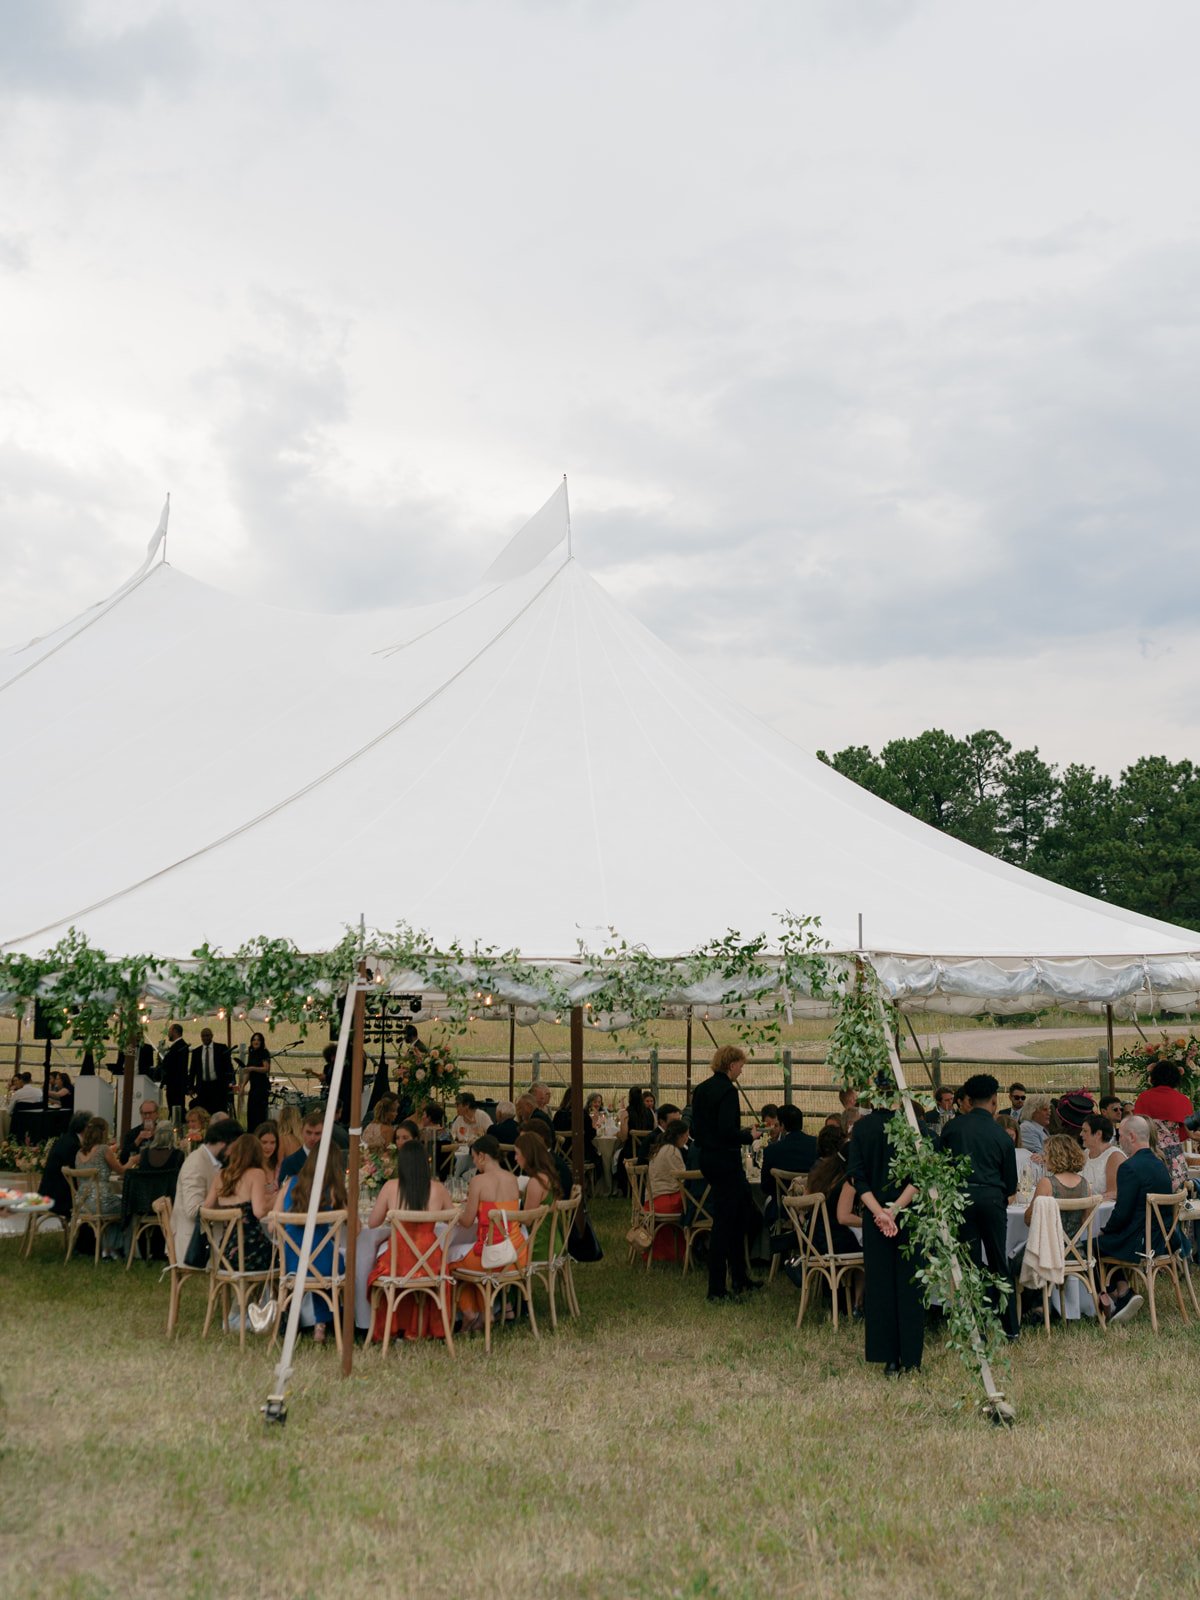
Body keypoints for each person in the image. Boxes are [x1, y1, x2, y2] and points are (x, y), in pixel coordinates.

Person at [845, 1087, 922, 1374]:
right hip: (908, 1215)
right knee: (909, 1286)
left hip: (875, 1216)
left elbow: (856, 1176)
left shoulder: (862, 1129)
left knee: (880, 1287)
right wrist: (894, 1210)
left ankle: (888, 1358)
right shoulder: (912, 1126)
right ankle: (911, 1356)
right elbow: (921, 1176)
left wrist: (878, 1212)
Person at [940, 1073, 1019, 1340]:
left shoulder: (952, 1129)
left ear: (969, 1100)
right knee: (999, 1261)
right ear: (994, 1101)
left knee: (969, 1264)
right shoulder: (1001, 1134)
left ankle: (975, 1327)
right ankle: (1010, 1327)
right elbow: (1011, 1185)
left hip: (962, 1198)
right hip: (993, 1198)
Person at [362, 1139, 455, 1341]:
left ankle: (394, 1327)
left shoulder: (390, 1187)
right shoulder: (438, 1189)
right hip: (431, 1262)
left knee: (375, 1265)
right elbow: (454, 1218)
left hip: (399, 1262)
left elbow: (372, 1222)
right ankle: (425, 1327)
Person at [690, 1045, 760, 1303]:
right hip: (725, 1160)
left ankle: (740, 1277)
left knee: (740, 1214)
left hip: (708, 1158)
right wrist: (748, 1135)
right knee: (725, 1223)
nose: (742, 1070)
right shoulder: (728, 1091)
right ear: (731, 1065)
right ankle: (717, 1287)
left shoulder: (702, 1089)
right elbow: (727, 1131)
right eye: (741, 1065)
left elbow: (697, 1128)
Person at [1095, 1115, 1174, 1322]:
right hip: (1162, 1240)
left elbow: (1121, 1214)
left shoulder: (1129, 1167)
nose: (1117, 1140)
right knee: (1105, 1242)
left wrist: (1105, 1230)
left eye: (1119, 1136)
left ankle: (1119, 1295)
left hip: (1139, 1243)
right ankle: (1119, 1293)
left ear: (1131, 1137)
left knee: (1091, 1246)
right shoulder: (1159, 1164)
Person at [273, 1142, 349, 1344]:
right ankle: (324, 1326)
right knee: (334, 1260)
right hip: (323, 1265)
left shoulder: (289, 1184)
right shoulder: (333, 1190)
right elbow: (355, 1228)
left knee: (320, 1258)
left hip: (291, 1264)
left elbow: (274, 1225)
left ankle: (309, 1324)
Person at [451, 1136, 526, 1333]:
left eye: (474, 1158)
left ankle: (469, 1313)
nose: (474, 1163)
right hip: (517, 1254)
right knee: (470, 1258)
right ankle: (486, 1314)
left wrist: (455, 1212)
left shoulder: (478, 1181)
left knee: (451, 1260)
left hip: (491, 1256)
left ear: (482, 1156)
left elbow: (467, 1222)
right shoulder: (512, 1179)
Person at [1010, 1134, 1092, 1294]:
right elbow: (1085, 1221)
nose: (1043, 1158)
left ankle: (1034, 1306)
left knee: (1011, 1261)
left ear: (1057, 1156)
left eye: (1046, 1153)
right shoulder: (1085, 1185)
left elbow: (1029, 1219)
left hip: (1047, 1254)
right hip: (1076, 1252)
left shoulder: (1047, 1183)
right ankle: (1043, 1304)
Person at [172, 1116, 242, 1263]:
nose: (234, 1155)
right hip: (194, 1244)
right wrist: (228, 1207)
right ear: (224, 1143)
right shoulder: (196, 1164)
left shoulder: (212, 1161)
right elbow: (193, 1211)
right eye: (234, 1149)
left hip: (212, 1237)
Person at [202, 1132, 274, 1274]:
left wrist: (227, 1207)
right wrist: (277, 1199)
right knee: (281, 1255)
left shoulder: (221, 1175)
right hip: (252, 1252)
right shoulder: (256, 1173)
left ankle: (247, 1296)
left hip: (225, 1253)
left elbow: (206, 1208)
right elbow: (259, 1211)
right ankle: (269, 1296)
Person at [75, 1117, 136, 1258]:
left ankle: (109, 1248)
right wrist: (132, 1161)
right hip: (100, 1202)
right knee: (128, 1207)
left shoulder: (79, 1153)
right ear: (103, 1133)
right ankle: (122, 1249)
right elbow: (121, 1170)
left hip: (82, 1203)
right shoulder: (103, 1149)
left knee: (117, 1205)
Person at [761, 1104, 818, 1227]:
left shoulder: (772, 1150)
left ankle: (768, 1244)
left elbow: (765, 1186)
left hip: (782, 1209)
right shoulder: (816, 1145)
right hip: (812, 1207)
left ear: (782, 1126)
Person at [643, 1120, 690, 1263]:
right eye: (686, 1135)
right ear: (679, 1136)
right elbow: (681, 1178)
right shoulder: (672, 1151)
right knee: (694, 1206)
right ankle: (692, 1248)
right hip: (664, 1200)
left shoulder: (661, 1148)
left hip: (652, 1199)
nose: (687, 1139)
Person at [514, 1128, 560, 1266]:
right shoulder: (548, 1174)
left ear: (527, 1155)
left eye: (517, 1153)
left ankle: (508, 1286)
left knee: (497, 1251)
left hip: (538, 1245)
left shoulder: (536, 1182)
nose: (515, 1158)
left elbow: (527, 1220)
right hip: (554, 1241)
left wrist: (505, 1213)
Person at [38, 1111, 90, 1216]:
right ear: (85, 1128)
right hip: (59, 1198)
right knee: (94, 1202)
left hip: (48, 1192)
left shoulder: (65, 1139)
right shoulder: (74, 1145)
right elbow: (76, 1174)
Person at [1133, 1060, 1194, 1143]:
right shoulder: (1183, 1100)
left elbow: (1137, 1126)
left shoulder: (1143, 1097)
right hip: (1173, 1149)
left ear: (1153, 1077)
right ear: (1176, 1078)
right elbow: (1189, 1131)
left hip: (1149, 1147)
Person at [189, 1027, 234, 1116]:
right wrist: (191, 1087)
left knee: (219, 1110)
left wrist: (229, 1082)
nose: (205, 1038)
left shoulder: (221, 1048)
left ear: (212, 1036)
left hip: (218, 1086)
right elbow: (193, 1071)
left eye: (207, 1035)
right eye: (203, 1036)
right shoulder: (197, 1052)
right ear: (201, 1037)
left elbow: (228, 1067)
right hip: (203, 1086)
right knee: (204, 1112)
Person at [1081, 1112, 1125, 1199]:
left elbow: (1114, 1193)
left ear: (1098, 1134)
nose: (1081, 1134)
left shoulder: (1114, 1156)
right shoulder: (1086, 1153)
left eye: (1085, 1131)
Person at [279, 1107, 324, 1183]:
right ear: (301, 1131)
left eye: (317, 1133)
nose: (312, 1138)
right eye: (309, 1133)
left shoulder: (333, 1158)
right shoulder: (289, 1163)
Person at [241, 1032, 272, 1129]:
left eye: (258, 1039)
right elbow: (248, 1072)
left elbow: (266, 1068)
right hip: (253, 1087)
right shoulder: (251, 1052)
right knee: (251, 1113)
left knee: (260, 1114)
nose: (256, 1041)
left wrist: (252, 1068)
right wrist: (242, 1085)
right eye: (254, 1039)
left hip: (262, 1087)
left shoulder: (264, 1052)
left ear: (261, 1041)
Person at [158, 1024, 190, 1115]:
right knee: (173, 1108)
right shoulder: (176, 1046)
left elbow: (174, 1065)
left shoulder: (180, 1047)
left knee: (176, 1109)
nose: (168, 1034)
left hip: (176, 1084)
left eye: (169, 1031)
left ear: (175, 1032)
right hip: (174, 1084)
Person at [120, 1099, 161, 1164]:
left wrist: (155, 1137)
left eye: (150, 1113)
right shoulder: (132, 1133)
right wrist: (138, 1140)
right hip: (138, 1170)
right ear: (141, 1115)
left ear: (157, 1114)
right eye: (144, 1114)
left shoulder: (162, 1131)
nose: (147, 1116)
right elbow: (123, 1159)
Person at [996, 1116, 1032, 1185]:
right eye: (1004, 1136)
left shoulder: (1025, 1154)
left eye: (1011, 1136)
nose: (1007, 1140)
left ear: (1017, 1136)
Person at [254, 1121, 282, 1196]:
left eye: (272, 1142)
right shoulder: (251, 1166)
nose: (269, 1147)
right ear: (256, 1142)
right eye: (264, 1142)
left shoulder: (278, 1166)